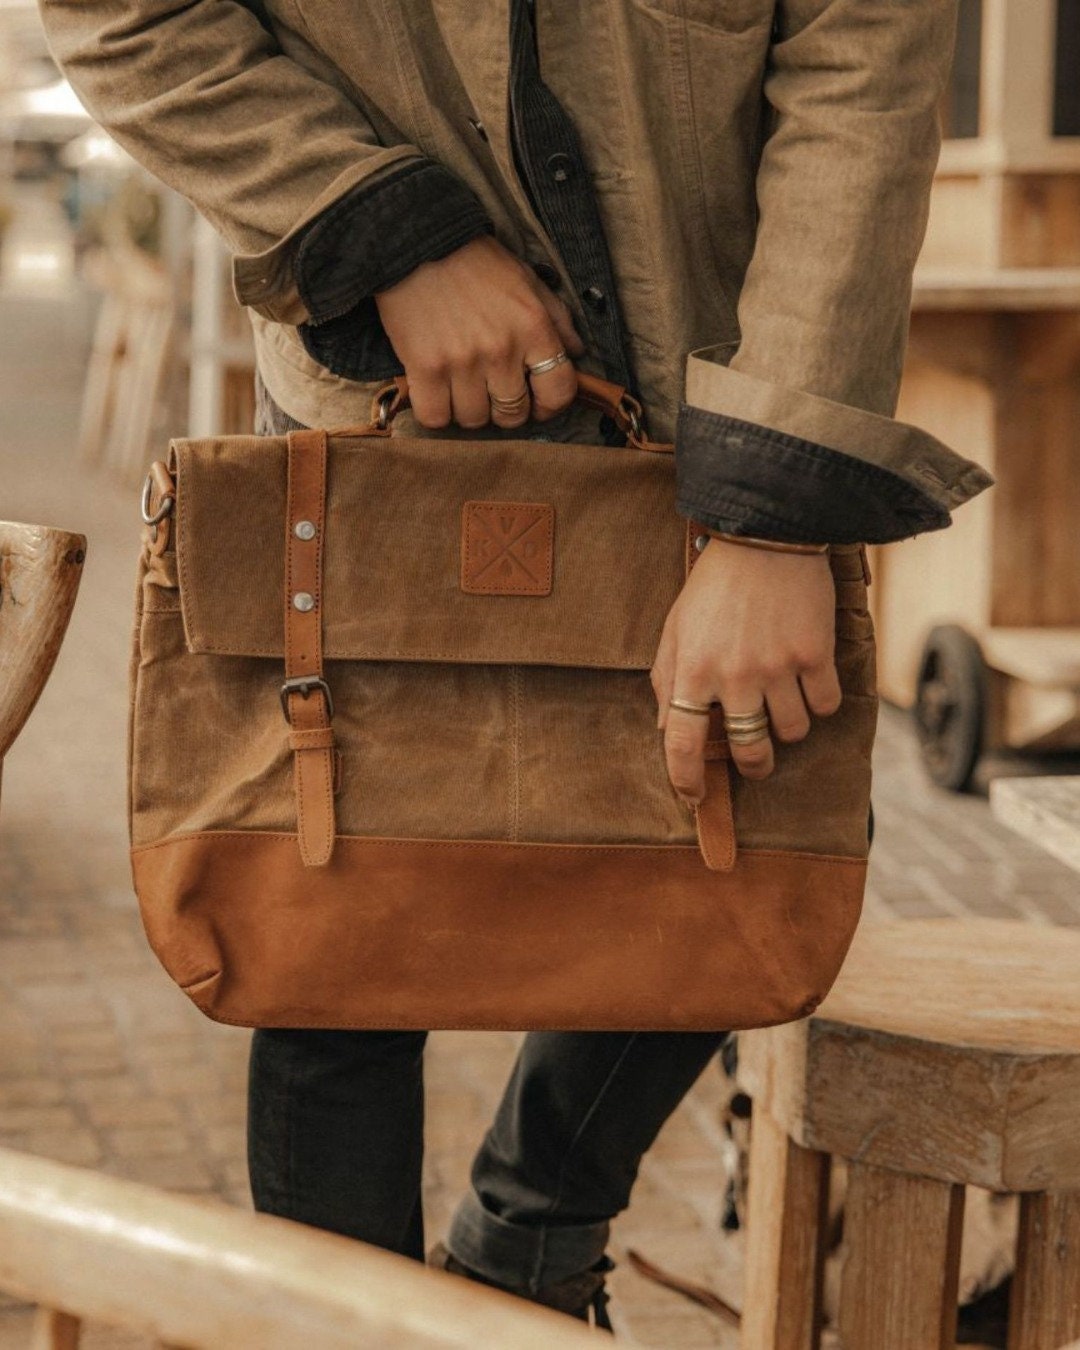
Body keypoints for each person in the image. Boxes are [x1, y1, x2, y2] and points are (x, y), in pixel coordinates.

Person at [40, 0, 991, 1329]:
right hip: (372, 404)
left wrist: (773, 515)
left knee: (744, 833)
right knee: (330, 929)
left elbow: (865, 54)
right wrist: (379, 230)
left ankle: (527, 1243)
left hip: (709, 406)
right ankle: (347, 1322)